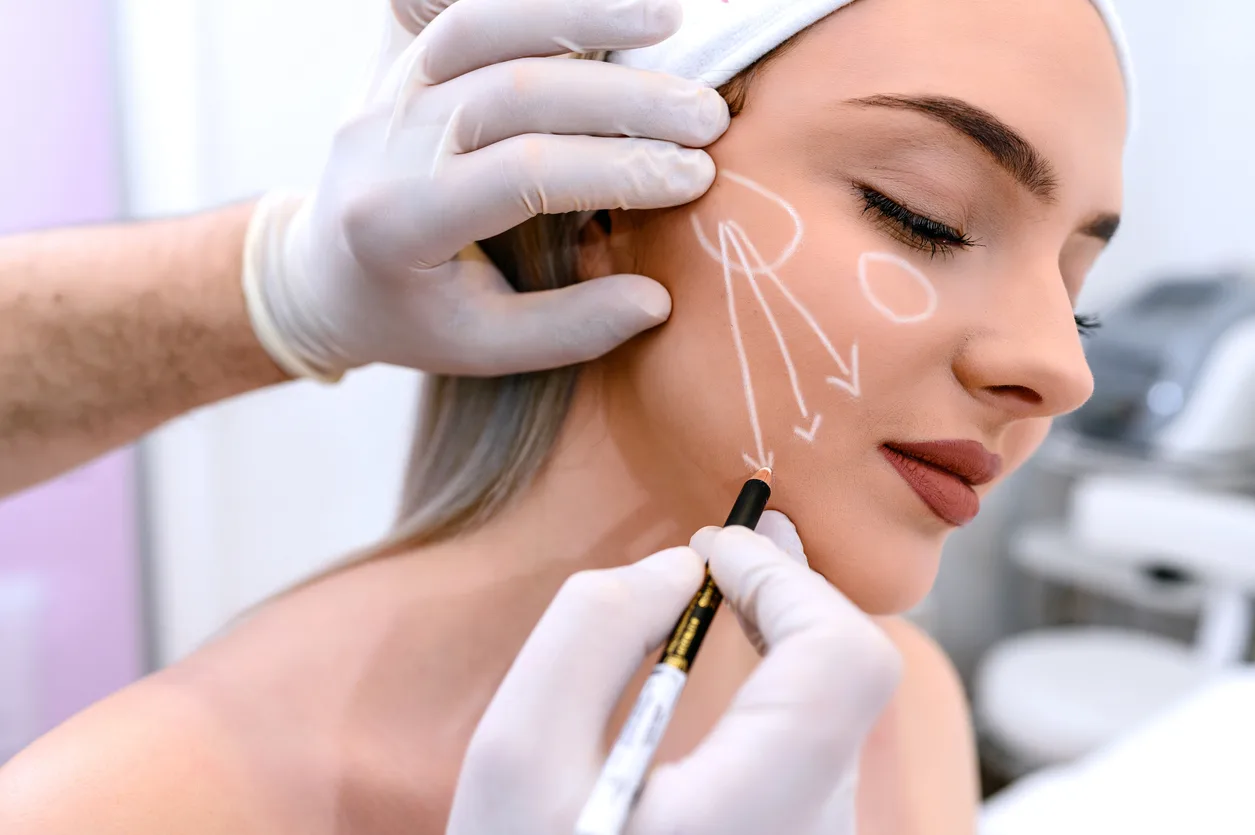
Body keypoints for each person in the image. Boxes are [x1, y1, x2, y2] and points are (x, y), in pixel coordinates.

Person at [0, 0, 1132, 833]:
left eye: (1073, 294)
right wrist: (275, 289)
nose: (1059, 367)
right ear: (599, 205)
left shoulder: (895, 706)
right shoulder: (130, 803)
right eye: (923, 213)